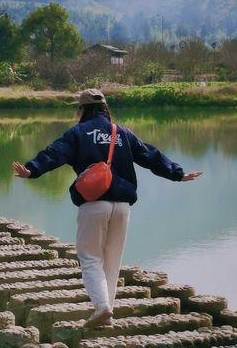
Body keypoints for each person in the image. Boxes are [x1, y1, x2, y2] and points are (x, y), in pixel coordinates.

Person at [12, 88, 203, 328]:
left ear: (82, 110)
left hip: (94, 204)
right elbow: (150, 155)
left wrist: (32, 170)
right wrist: (178, 173)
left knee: (90, 258)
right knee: (112, 261)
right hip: (122, 207)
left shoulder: (78, 133)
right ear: (105, 109)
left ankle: (102, 307)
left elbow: (54, 153)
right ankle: (107, 313)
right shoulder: (122, 133)